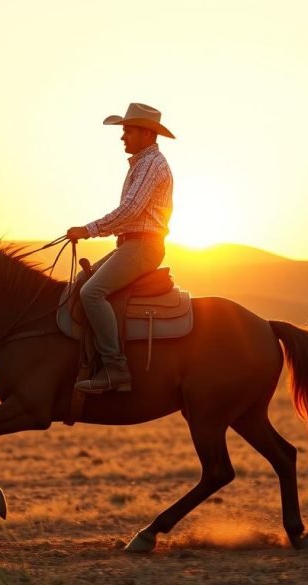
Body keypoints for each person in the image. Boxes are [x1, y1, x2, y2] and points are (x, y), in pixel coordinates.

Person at [66, 103, 175, 393]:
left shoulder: (152, 164)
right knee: (81, 284)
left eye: (127, 130)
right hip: (131, 244)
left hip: (142, 246)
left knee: (92, 292)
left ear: (146, 133)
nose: (122, 137)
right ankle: (90, 362)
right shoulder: (142, 164)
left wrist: (88, 230)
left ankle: (116, 369)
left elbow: (131, 210)